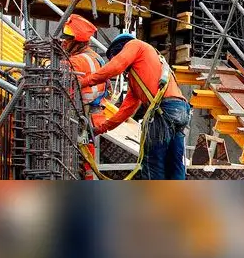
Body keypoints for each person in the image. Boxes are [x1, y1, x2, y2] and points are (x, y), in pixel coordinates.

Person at [77, 34, 191, 180]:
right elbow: (126, 110)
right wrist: (101, 128)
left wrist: (84, 81)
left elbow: (116, 66)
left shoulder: (135, 45)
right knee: (175, 165)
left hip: (163, 111)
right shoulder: (141, 75)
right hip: (180, 110)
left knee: (153, 164)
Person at [60, 15, 109, 179]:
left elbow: (57, 85)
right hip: (93, 118)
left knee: (76, 165)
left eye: (68, 38)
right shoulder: (96, 57)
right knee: (86, 165)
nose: (63, 41)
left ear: (77, 41)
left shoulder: (76, 61)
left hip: (81, 120)